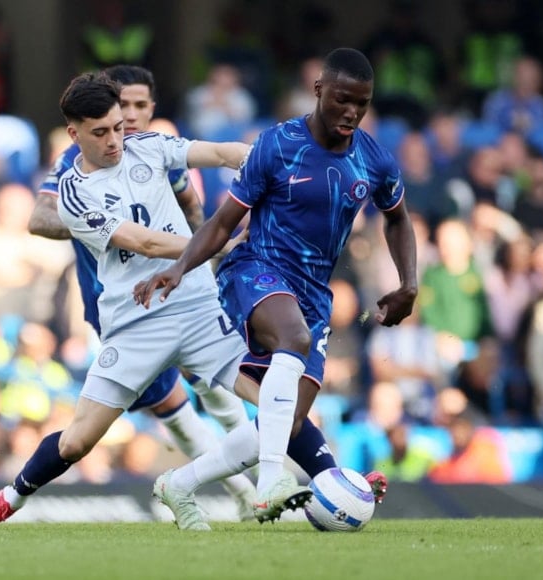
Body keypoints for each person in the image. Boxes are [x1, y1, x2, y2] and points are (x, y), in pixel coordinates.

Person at [0, 70, 257, 531]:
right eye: (101, 132)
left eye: (120, 124)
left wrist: (266, 158)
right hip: (135, 323)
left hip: (195, 307)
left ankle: (301, 485)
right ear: (74, 134)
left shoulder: (150, 146)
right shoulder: (73, 191)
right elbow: (144, 242)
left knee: (278, 404)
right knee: (78, 442)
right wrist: (218, 244)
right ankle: (7, 499)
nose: (116, 139)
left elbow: (218, 154)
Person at [135, 47, 416, 525]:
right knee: (293, 338)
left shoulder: (374, 159)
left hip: (313, 295)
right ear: (318, 90)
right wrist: (181, 266)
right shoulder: (277, 145)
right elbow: (224, 221)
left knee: (287, 421)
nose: (351, 112)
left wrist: (409, 283)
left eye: (362, 103)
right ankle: (271, 484)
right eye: (343, 99)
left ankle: (179, 484)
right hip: (254, 269)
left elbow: (398, 218)